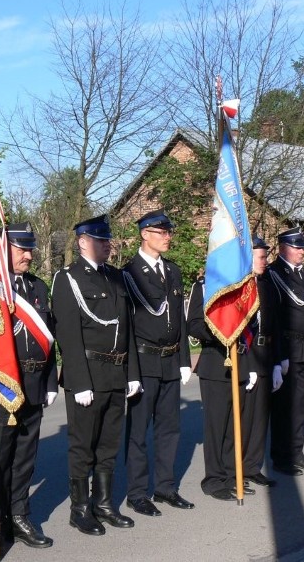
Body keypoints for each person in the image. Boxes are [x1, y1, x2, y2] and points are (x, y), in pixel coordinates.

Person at [51, 215, 140, 536]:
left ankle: (104, 504)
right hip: (88, 373)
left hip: (116, 373)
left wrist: (131, 372)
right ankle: (80, 510)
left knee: (108, 443)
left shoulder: (116, 278)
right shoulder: (68, 278)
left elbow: (126, 327)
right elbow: (68, 334)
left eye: (108, 240)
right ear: (82, 241)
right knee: (83, 445)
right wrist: (79, 380)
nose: (108, 245)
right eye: (101, 240)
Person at [0, 222, 57, 553]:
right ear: (3, 250)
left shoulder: (38, 287)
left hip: (33, 385)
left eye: (30, 248)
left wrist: (49, 381)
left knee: (24, 459)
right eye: (21, 248)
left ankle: (20, 515)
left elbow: (49, 338)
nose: (28, 254)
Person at [121, 209, 194, 516]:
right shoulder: (128, 274)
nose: (168, 237)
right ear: (144, 234)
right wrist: (131, 372)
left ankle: (165, 487)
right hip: (144, 360)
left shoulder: (173, 271)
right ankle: (137, 493)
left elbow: (179, 317)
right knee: (138, 431)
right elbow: (126, 325)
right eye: (162, 232)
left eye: (169, 232)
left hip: (169, 360)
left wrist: (183, 360)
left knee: (169, 429)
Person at [187, 259, 255, 501]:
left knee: (236, 425)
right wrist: (221, 332)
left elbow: (253, 321)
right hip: (215, 362)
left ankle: (231, 475)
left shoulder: (242, 287)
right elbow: (193, 324)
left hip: (242, 360)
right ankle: (213, 480)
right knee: (217, 426)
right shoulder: (204, 287)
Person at [267, 227, 304, 475]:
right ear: (282, 248)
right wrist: (280, 357)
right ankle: (281, 457)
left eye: (303, 247)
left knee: (300, 405)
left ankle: (296, 452)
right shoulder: (273, 274)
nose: (302, 251)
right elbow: (275, 318)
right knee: (283, 408)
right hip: (289, 347)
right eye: (297, 247)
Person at [241, 236, 280, 488]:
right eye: (261, 256)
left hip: (266, 353)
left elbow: (275, 323)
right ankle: (238, 466)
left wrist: (277, 361)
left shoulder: (266, 285)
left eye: (266, 256)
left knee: (260, 418)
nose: (266, 261)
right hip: (247, 353)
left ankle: (253, 466)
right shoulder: (239, 287)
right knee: (245, 416)